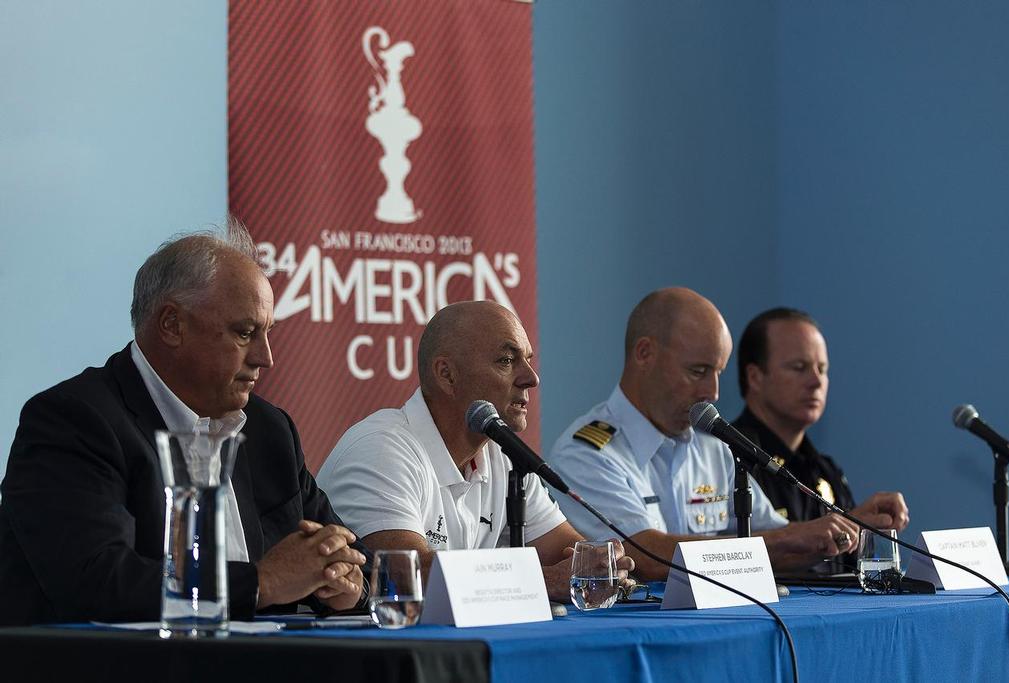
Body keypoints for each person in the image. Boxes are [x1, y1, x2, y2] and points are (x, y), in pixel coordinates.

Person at [0, 220, 366, 626]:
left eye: (267, 333)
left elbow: (349, 556)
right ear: (172, 324)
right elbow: (96, 582)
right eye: (245, 333)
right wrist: (261, 582)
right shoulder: (74, 420)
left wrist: (344, 585)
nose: (265, 358)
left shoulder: (269, 429)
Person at [546, 288, 909, 581]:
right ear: (644, 354)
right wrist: (787, 539)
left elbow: (781, 543)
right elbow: (644, 555)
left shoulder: (714, 448)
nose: (713, 392)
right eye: (699, 371)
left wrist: (848, 526)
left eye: (717, 371)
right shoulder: (587, 453)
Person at [318, 300, 633, 600]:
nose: (531, 378)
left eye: (528, 360)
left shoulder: (503, 454)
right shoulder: (381, 448)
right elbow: (405, 576)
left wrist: (601, 564)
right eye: (506, 361)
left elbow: (569, 554)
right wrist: (545, 582)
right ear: (447, 375)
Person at [733, 307, 909, 531]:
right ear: (755, 377)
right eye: (799, 368)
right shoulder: (728, 462)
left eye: (822, 369)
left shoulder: (825, 469)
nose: (816, 382)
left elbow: (848, 564)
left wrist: (864, 526)